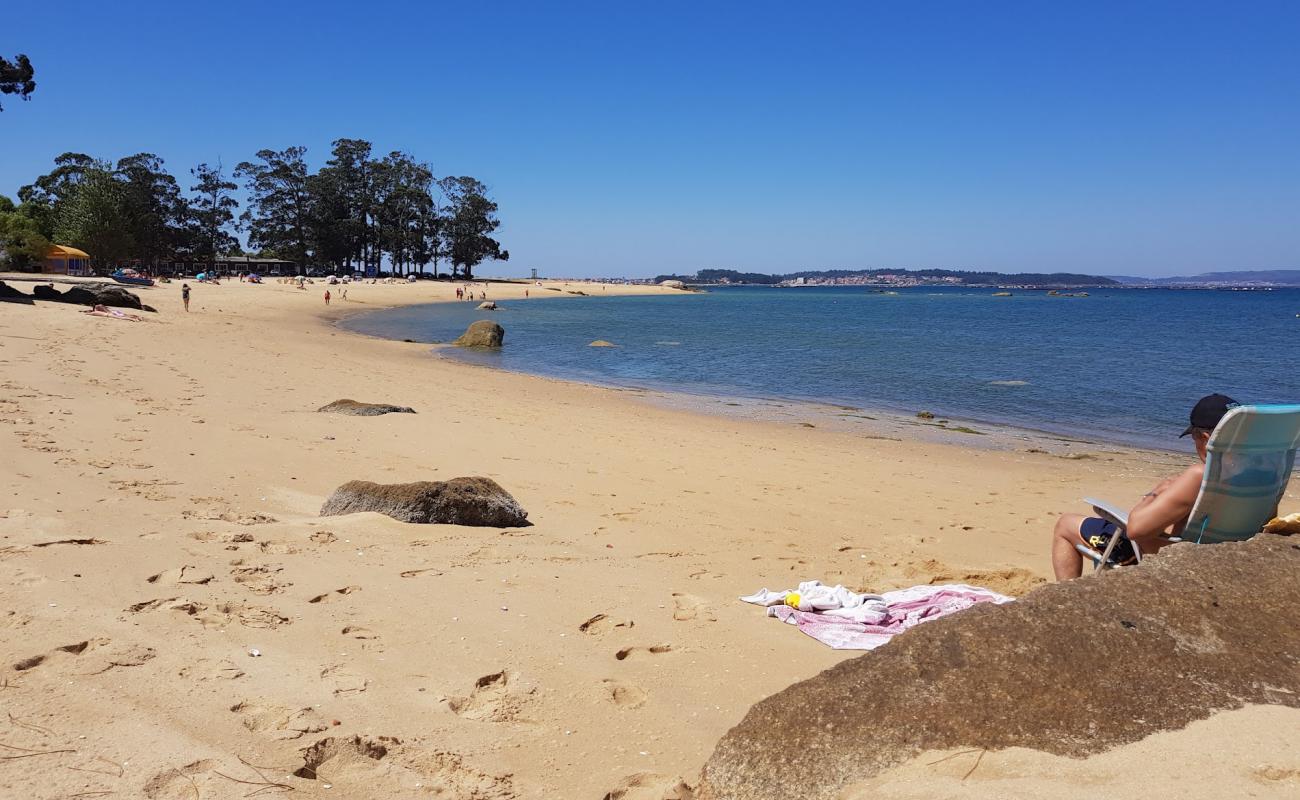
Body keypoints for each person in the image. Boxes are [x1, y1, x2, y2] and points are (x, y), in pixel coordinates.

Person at [1050, 394, 1239, 580]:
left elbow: (1135, 529)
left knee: (1065, 524)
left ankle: (1065, 597)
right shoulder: (1257, 473)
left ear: (1203, 436)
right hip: (1217, 557)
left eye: (1194, 437)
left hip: (1157, 555)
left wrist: (1155, 493)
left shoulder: (1200, 476)